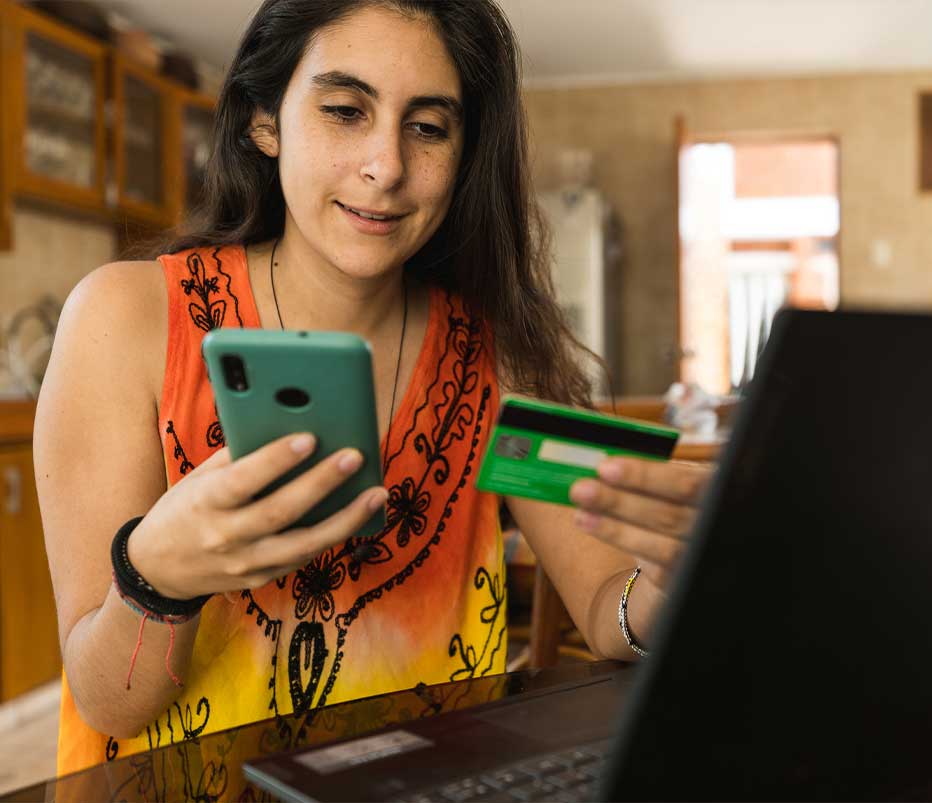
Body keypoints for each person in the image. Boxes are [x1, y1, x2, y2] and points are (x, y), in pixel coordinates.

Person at [34, 0, 711, 787]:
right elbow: (108, 703)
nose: (386, 165)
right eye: (345, 111)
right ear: (264, 120)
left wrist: (664, 587)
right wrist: (158, 577)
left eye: (428, 126)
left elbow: (602, 598)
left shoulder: (500, 354)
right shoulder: (124, 319)